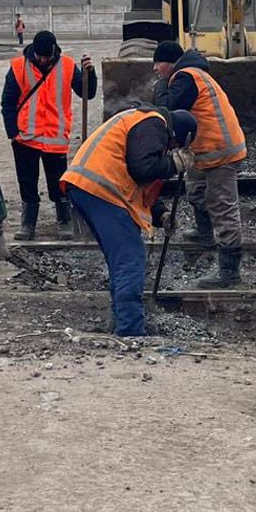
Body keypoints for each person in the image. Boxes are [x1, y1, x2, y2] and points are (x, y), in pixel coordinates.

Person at [62, 106, 197, 338]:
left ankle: (120, 323)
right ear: (177, 136)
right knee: (130, 258)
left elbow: (142, 183)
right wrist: (173, 164)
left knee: (120, 260)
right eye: (174, 148)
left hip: (90, 187)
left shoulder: (143, 123)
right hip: (102, 190)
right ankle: (131, 331)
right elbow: (143, 169)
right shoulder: (155, 123)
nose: (171, 151)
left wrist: (161, 215)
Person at [152, 40, 246, 287]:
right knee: (197, 192)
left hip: (219, 151)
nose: (155, 69)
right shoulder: (192, 74)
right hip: (203, 150)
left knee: (223, 208)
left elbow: (168, 107)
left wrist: (161, 86)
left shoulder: (185, 77)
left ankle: (229, 273)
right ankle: (205, 234)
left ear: (169, 63)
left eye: (158, 63)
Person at [1, 30, 97, 241]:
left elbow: (87, 93)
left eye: (47, 57)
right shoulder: (18, 67)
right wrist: (13, 132)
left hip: (55, 138)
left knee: (58, 183)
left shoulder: (68, 66)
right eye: (39, 56)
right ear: (33, 52)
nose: (43, 60)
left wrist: (91, 74)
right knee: (27, 183)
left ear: (55, 52)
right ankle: (28, 224)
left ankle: (64, 220)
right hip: (26, 138)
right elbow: (7, 102)